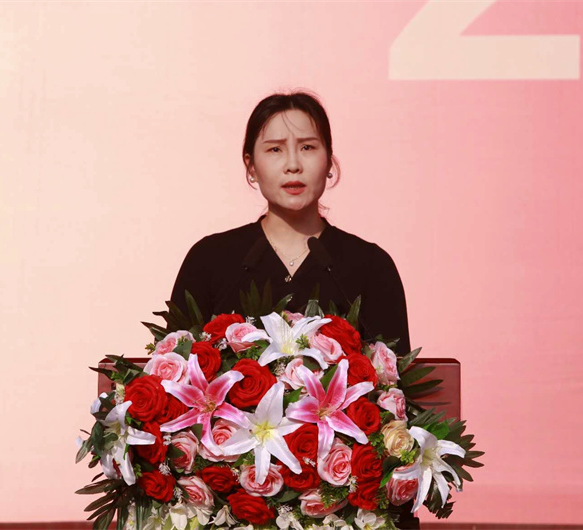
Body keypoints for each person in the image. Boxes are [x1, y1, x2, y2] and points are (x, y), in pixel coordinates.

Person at [169, 91, 419, 529]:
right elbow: (172, 383)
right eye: (274, 150)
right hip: (229, 511)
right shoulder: (211, 260)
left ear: (329, 161)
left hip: (342, 511)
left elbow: (397, 395)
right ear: (250, 166)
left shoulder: (368, 265)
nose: (292, 164)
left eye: (307, 147)